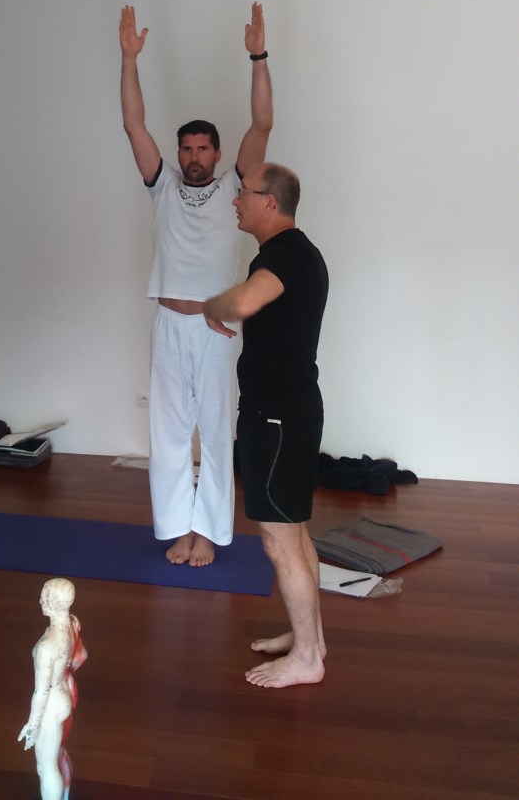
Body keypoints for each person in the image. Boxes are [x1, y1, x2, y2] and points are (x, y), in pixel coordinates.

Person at [119, 2, 273, 567]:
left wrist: (258, 57)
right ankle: (178, 527)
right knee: (167, 433)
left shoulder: (235, 185)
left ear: (216, 153)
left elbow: (262, 125)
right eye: (186, 148)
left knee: (213, 428)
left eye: (202, 148)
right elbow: (134, 125)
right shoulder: (162, 185)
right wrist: (129, 61)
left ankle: (208, 532)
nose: (193, 157)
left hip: (216, 328)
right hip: (168, 323)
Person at [203, 163, 328, 687]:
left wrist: (210, 305)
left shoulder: (283, 254)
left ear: (270, 202)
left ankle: (308, 660)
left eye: (243, 194)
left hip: (275, 418)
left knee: (279, 541)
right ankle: (310, 639)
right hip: (290, 412)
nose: (236, 201)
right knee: (294, 531)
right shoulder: (299, 253)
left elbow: (244, 301)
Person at [18, 577, 88, 800]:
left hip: (51, 706)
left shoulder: (47, 647)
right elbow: (81, 655)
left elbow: (41, 691)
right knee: (56, 755)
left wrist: (32, 724)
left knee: (46, 768)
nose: (40, 601)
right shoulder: (73, 623)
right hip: (64, 695)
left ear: (55, 603)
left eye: (44, 597)